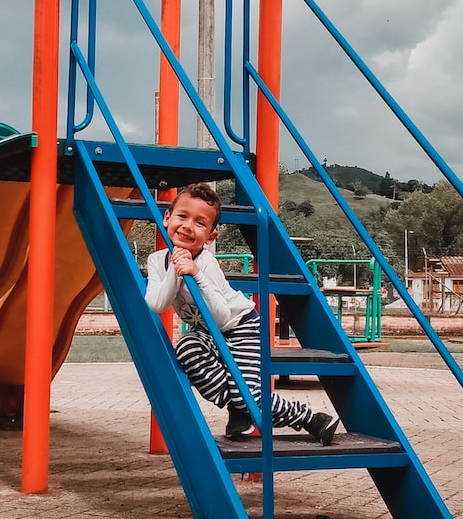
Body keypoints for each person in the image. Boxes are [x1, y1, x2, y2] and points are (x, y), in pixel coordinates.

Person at [144, 182, 339, 445]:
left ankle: (311, 419)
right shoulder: (157, 260)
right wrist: (176, 267)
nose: (188, 226)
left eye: (200, 223)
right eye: (182, 216)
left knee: (250, 394)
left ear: (211, 237)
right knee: (188, 349)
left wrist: (196, 273)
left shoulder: (206, 264)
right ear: (167, 218)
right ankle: (239, 406)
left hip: (242, 327)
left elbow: (223, 317)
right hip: (207, 332)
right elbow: (157, 303)